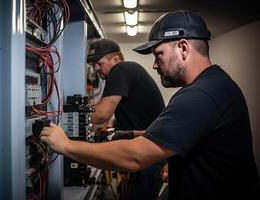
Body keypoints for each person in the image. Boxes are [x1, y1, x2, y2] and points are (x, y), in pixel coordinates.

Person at [40, 10, 260, 200]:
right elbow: (184, 135)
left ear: (183, 48)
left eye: (159, 54)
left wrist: (66, 145)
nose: (154, 65)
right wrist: (126, 135)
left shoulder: (200, 95)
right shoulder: (215, 85)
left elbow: (135, 157)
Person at [87, 38, 166, 200]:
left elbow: (102, 113)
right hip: (151, 153)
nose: (96, 68)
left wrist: (70, 115)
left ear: (115, 59)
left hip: (150, 156)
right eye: (93, 63)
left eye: (99, 63)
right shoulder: (127, 73)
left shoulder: (120, 70)